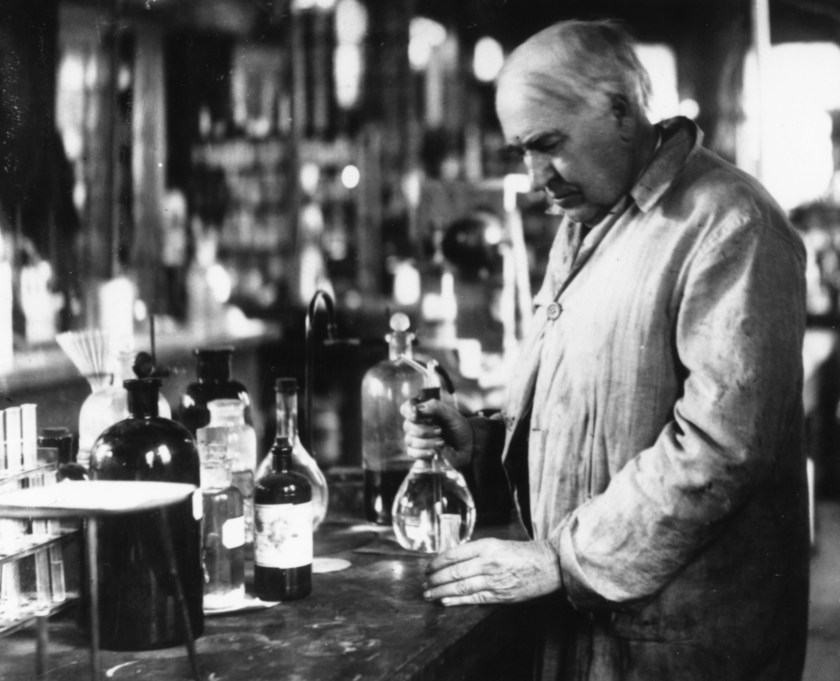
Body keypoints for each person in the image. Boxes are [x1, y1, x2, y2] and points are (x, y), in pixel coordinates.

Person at [402, 19, 810, 681]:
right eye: (521, 152)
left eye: (548, 144)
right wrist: (480, 443)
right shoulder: (590, 221)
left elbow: (719, 451)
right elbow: (594, 409)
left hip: (683, 648)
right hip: (590, 635)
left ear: (619, 110)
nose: (536, 178)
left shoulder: (730, 224)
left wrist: (560, 561)